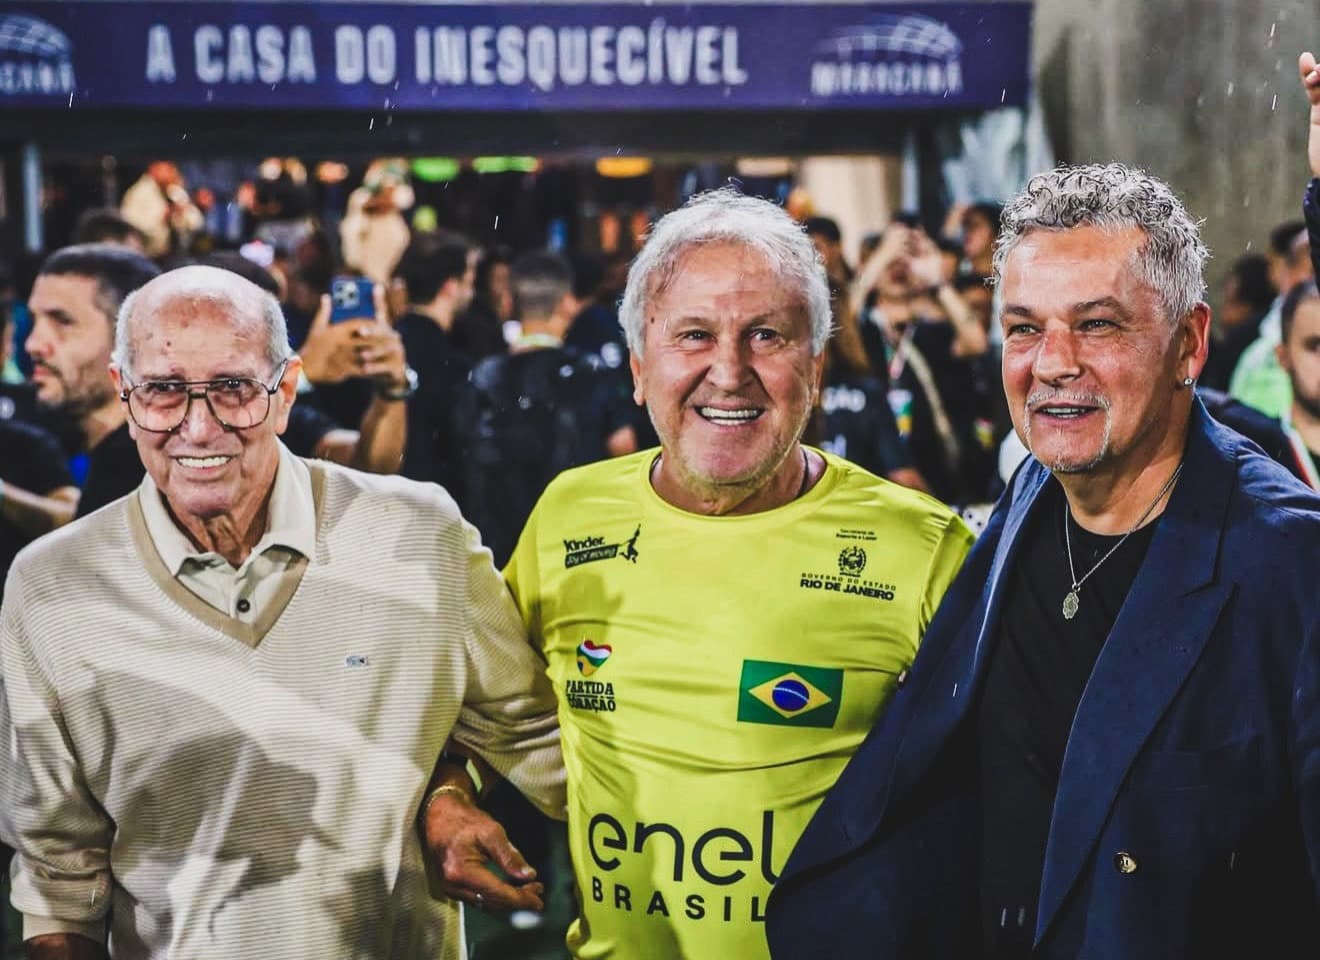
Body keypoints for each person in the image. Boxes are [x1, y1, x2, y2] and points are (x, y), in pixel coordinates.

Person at [766, 162, 1320, 960]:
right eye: (1025, 327)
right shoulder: (1037, 487)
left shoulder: (1289, 562)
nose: (1053, 362)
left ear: (1189, 343)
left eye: (1097, 325)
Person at [0, 265, 565, 958]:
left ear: (286, 391)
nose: (197, 427)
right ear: (125, 394)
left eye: (234, 389)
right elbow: (59, 871)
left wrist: (447, 785)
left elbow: (536, 734)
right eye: (163, 392)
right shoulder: (51, 585)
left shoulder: (417, 536)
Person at [496, 188, 974, 958]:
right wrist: (451, 796)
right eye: (693, 335)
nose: (729, 371)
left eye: (766, 336)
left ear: (814, 369)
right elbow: (480, 707)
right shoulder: (567, 519)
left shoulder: (924, 549)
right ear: (639, 367)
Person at [72, 250, 411, 516]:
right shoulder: (133, 439)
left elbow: (369, 466)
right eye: (165, 387)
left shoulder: (272, 406)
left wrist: (391, 390)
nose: (200, 429)